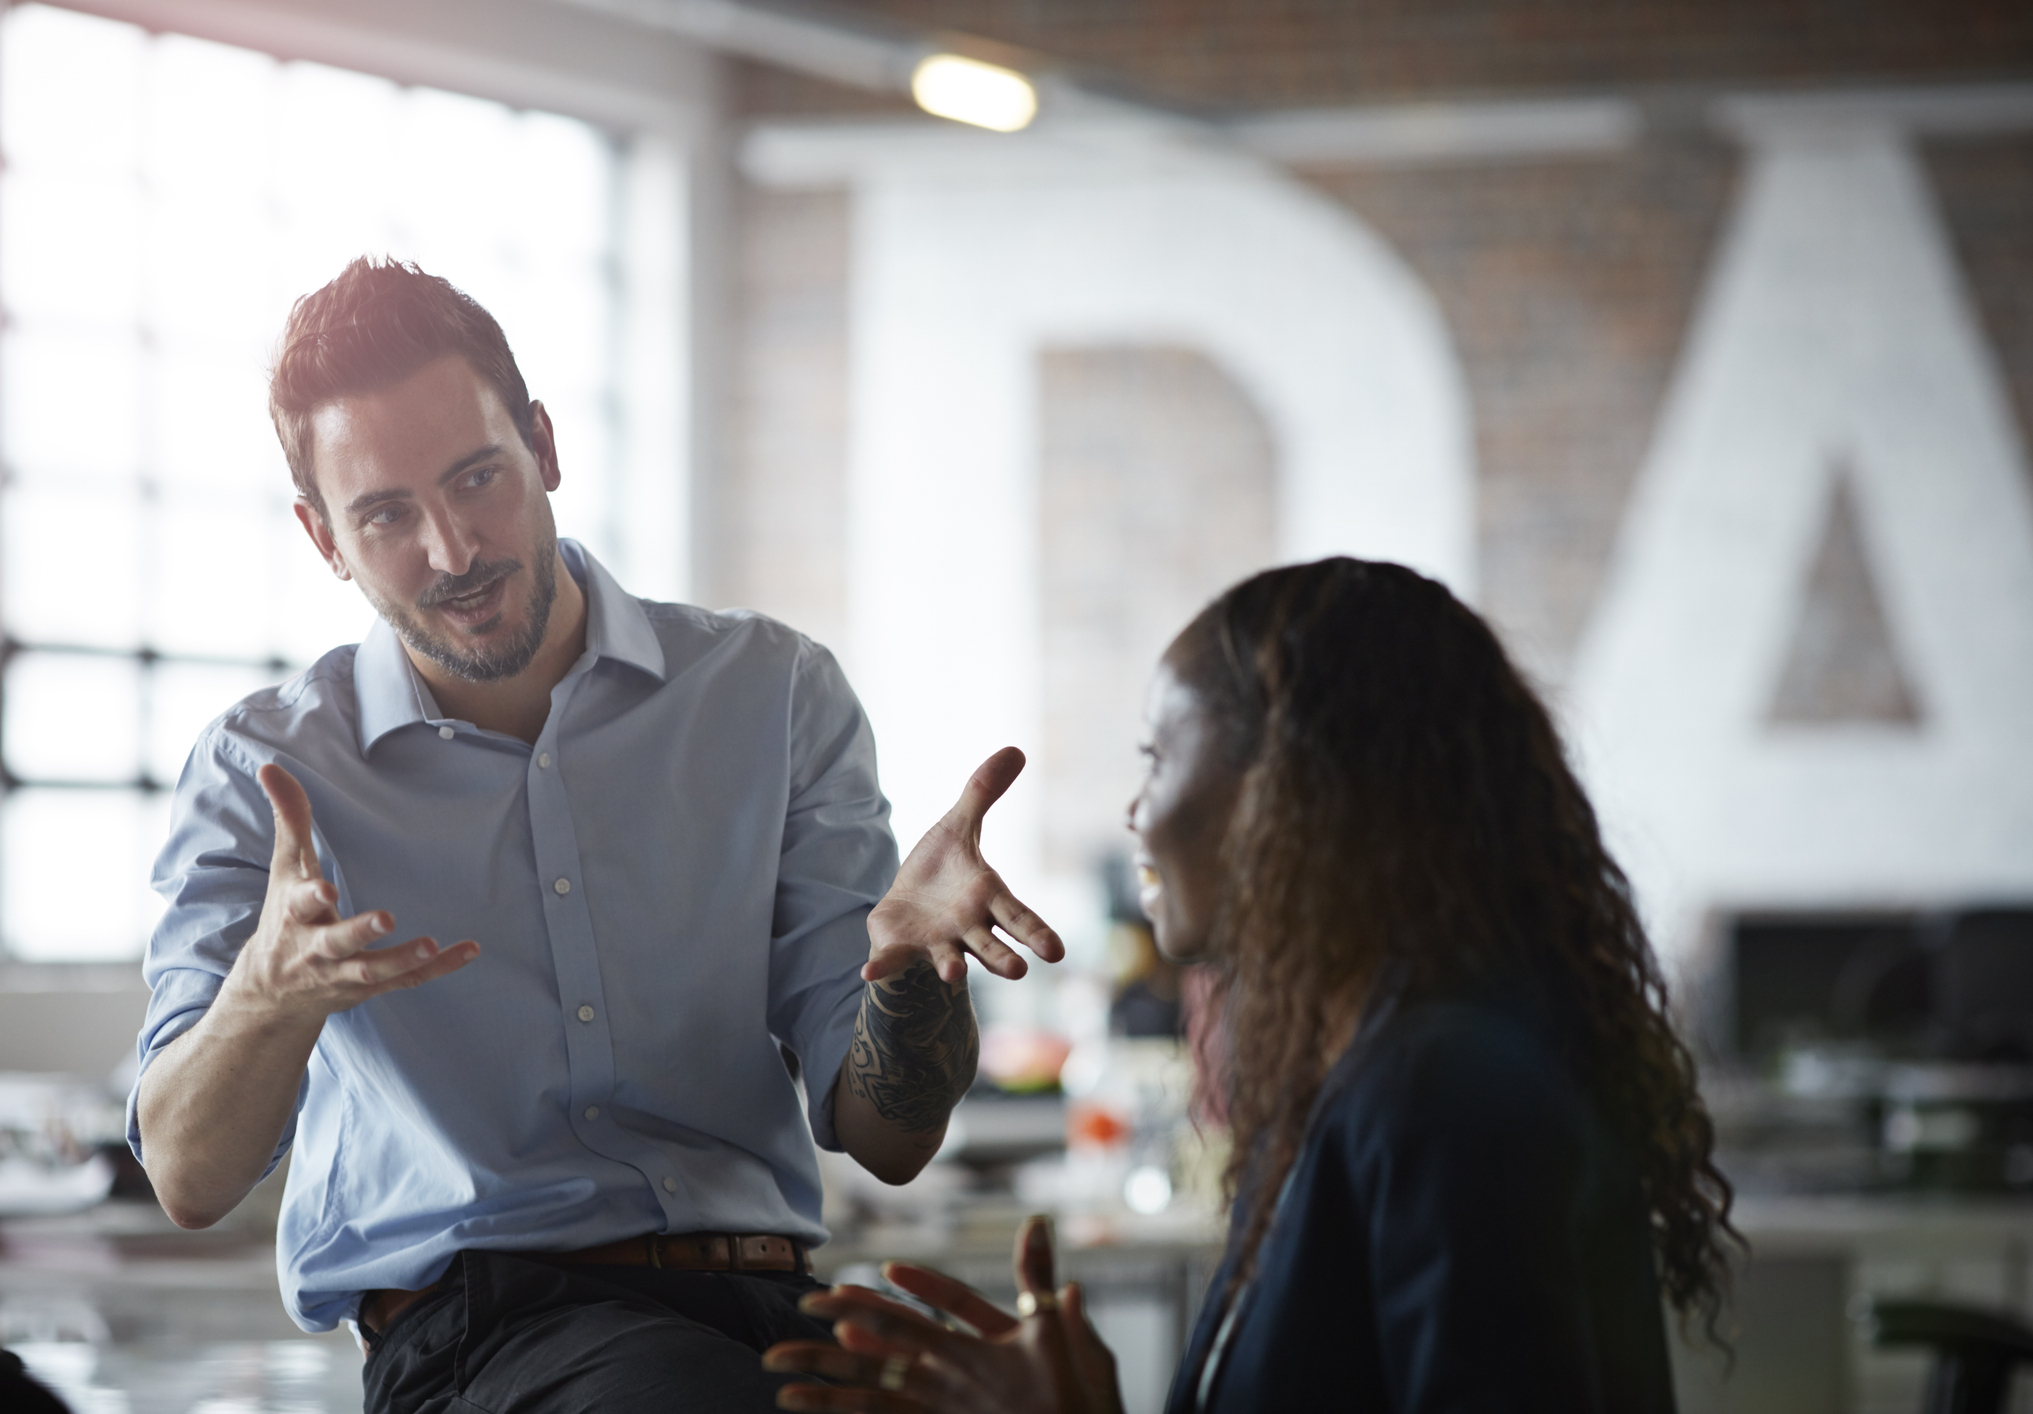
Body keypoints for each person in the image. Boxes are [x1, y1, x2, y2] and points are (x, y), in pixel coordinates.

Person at [126, 256, 1061, 1413]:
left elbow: (888, 1137)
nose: (454, 549)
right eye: (386, 516)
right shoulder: (263, 774)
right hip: (480, 1337)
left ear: (545, 446)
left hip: (775, 1311)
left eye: (478, 479)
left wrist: (913, 979)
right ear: (325, 537)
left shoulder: (769, 692)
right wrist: (266, 998)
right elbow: (185, 1173)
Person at [762, 557, 1740, 1412]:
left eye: (1158, 754)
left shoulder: (1445, 1092)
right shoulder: (1360, 1083)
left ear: (1291, 783)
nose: (1138, 813)